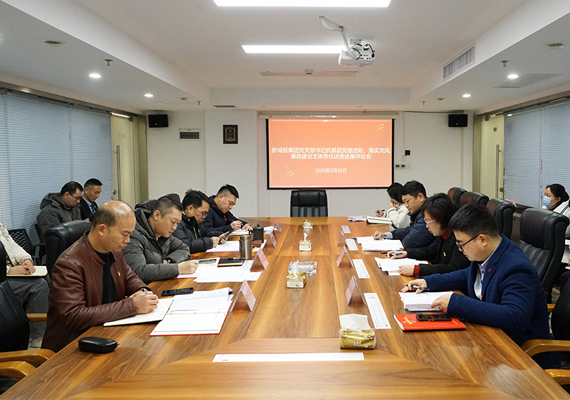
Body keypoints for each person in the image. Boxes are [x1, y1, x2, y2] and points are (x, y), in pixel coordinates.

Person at [402, 203, 555, 368]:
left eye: (461, 244)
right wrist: (428, 282)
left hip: (519, 358)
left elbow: (514, 317)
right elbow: (466, 275)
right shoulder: (490, 252)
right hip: (490, 339)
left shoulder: (516, 267)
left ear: (482, 239)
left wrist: (457, 302)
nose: (460, 250)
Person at [42, 201, 158, 352]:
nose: (128, 240)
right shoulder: (69, 264)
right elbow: (73, 316)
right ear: (102, 229)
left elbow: (129, 277)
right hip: (75, 346)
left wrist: (143, 291)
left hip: (108, 330)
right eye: (125, 234)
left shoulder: (113, 250)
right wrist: (132, 306)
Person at [387, 193, 470, 277]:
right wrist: (407, 253)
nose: (427, 226)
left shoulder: (459, 238)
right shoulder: (443, 234)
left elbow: (453, 268)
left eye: (428, 221)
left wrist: (418, 269)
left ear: (441, 219)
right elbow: (430, 251)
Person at [122, 195, 198, 283]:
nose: (174, 227)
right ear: (157, 215)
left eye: (177, 223)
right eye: (173, 222)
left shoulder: (163, 234)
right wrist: (178, 269)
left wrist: (168, 261)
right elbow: (139, 271)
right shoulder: (133, 235)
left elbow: (184, 248)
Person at [0, 223, 49, 348]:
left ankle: (51, 328)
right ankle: (37, 337)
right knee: (38, 286)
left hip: (9, 274)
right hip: (3, 276)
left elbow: (13, 246)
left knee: (47, 278)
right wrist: (9, 270)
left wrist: (26, 260)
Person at [373, 180, 434, 248]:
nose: (406, 205)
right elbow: (408, 230)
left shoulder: (428, 214)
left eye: (407, 201)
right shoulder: (419, 212)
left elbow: (409, 242)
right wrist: (386, 235)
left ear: (420, 197)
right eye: (404, 202)